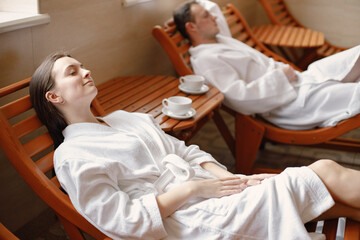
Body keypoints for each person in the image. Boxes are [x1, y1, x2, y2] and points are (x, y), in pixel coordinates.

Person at [29, 52, 360, 240]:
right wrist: (195, 191)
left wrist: (233, 180)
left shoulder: (124, 118)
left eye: (82, 65)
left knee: (325, 196)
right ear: (54, 97)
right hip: (187, 222)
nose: (87, 71)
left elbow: (186, 152)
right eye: (73, 71)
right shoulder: (72, 155)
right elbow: (122, 220)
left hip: (210, 194)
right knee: (323, 171)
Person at [173, 1, 360, 130]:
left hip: (303, 80)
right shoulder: (207, 61)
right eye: (206, 16)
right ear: (191, 27)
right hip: (290, 103)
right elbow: (240, 98)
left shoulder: (220, 39)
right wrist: (281, 77)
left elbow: (209, 6)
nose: (215, 17)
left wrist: (181, 17)